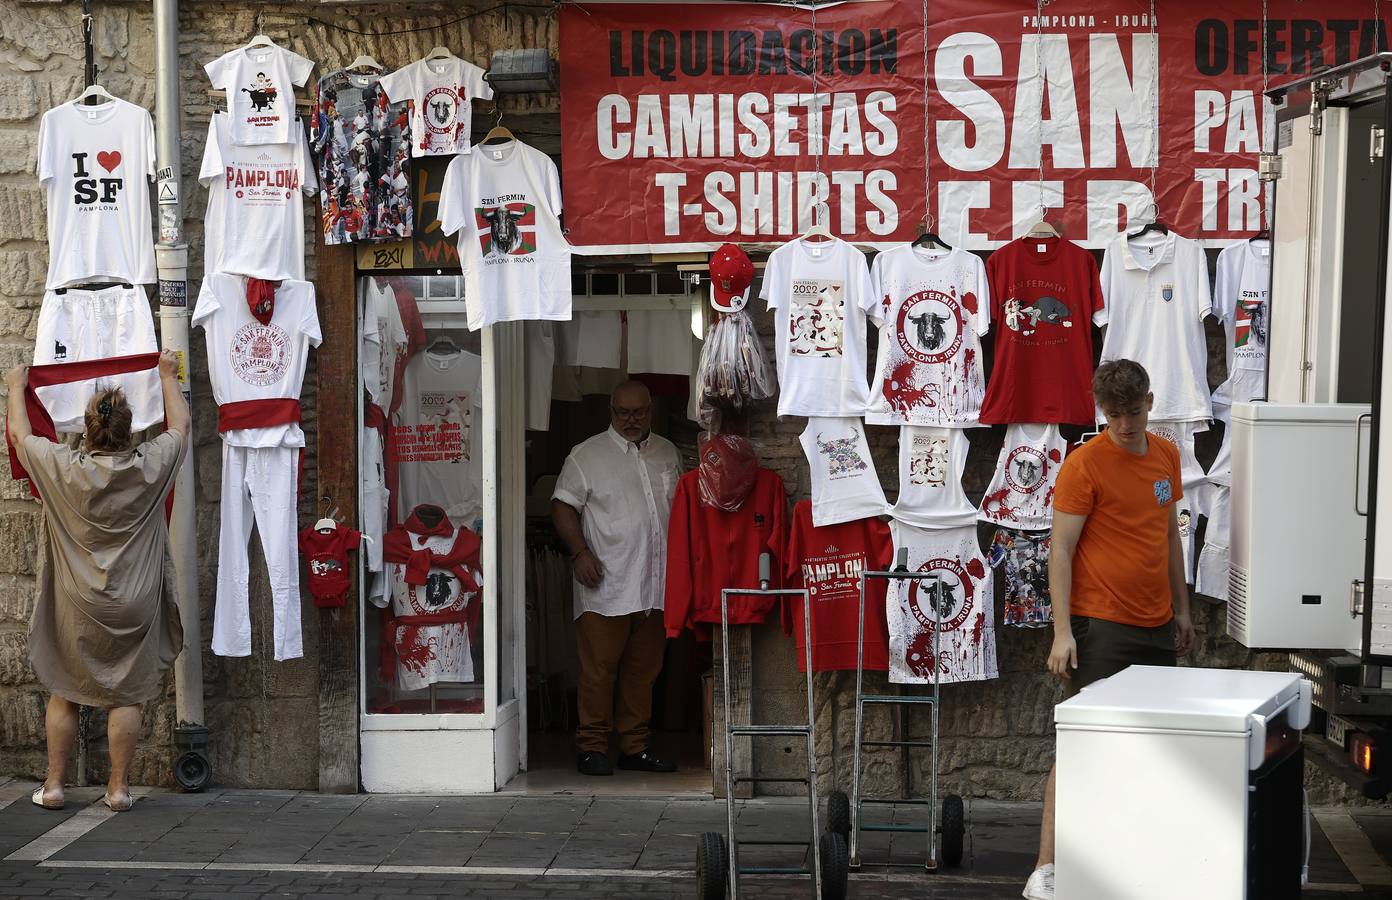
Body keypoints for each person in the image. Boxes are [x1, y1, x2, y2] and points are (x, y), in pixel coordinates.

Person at [1023, 359, 1196, 900]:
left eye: (1133, 410)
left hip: (1157, 623)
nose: (1124, 423)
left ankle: (1126, 860)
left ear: (1150, 399)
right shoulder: (1085, 465)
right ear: (1102, 410)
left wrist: (1184, 611)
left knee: (1151, 750)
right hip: (1101, 626)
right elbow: (1061, 549)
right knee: (1080, 747)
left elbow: (1169, 538)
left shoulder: (1166, 455)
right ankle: (1046, 869)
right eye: (1114, 413)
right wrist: (1062, 632)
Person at [8, 351, 190, 812]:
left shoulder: (63, 468)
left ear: (86, 431)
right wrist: (168, 376)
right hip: (135, 600)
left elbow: (19, 434)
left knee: (66, 689)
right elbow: (181, 428)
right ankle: (117, 789)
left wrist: (13, 386)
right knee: (123, 694)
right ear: (129, 430)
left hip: (76, 601)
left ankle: (52, 786)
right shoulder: (149, 467)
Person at [552, 381, 682, 776]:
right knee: (599, 670)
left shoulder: (668, 452)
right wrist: (579, 553)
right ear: (611, 411)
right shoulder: (586, 455)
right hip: (606, 582)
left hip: (655, 583)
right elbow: (562, 506)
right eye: (623, 413)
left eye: (639, 412)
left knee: (644, 671)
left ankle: (634, 746)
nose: (631, 420)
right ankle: (592, 746)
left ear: (651, 410)